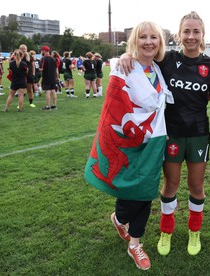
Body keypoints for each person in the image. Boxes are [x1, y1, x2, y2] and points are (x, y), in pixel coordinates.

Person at [118, 11, 210, 257]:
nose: (191, 36)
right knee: (170, 184)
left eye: (196, 31)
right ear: (179, 34)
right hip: (169, 134)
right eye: (186, 31)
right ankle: (166, 231)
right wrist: (125, 55)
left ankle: (194, 232)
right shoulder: (167, 59)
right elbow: (144, 57)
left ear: (202, 35)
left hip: (198, 135)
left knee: (196, 186)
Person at [84, 21, 173, 271]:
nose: (148, 42)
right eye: (142, 37)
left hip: (153, 141)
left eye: (153, 37)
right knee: (129, 188)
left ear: (160, 42)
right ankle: (120, 218)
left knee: (145, 190)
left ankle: (135, 242)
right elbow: (114, 107)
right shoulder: (124, 66)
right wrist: (123, 55)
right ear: (135, 41)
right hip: (128, 140)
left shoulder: (158, 68)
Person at [39, 45, 58, 110]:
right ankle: (54, 105)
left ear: (43, 51)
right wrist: (57, 77)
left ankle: (47, 106)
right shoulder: (53, 59)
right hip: (53, 77)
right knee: (53, 91)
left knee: (47, 91)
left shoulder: (43, 59)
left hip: (46, 76)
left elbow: (41, 68)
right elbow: (56, 69)